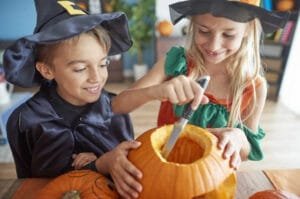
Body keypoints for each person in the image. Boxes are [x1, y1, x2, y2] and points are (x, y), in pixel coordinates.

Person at [112, 0, 290, 169]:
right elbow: (117, 106)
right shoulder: (176, 62)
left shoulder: (254, 87)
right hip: (166, 165)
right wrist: (154, 91)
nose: (214, 45)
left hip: (212, 174)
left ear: (247, 30)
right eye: (204, 31)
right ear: (192, 25)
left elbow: (246, 151)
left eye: (228, 34)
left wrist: (239, 137)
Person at [3, 0, 142, 198]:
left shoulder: (115, 112)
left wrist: (103, 162)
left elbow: (126, 168)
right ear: (47, 70)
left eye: (103, 64)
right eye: (80, 68)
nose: (96, 77)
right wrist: (97, 165)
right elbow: (31, 185)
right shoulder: (25, 121)